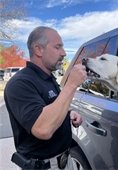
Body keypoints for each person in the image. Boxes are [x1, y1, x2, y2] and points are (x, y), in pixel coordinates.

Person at [4, 26, 87, 170]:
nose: (64, 53)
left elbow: (50, 108)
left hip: (67, 161)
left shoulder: (48, 78)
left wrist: (68, 114)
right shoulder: (20, 83)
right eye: (58, 47)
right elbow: (43, 129)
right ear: (38, 50)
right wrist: (71, 84)